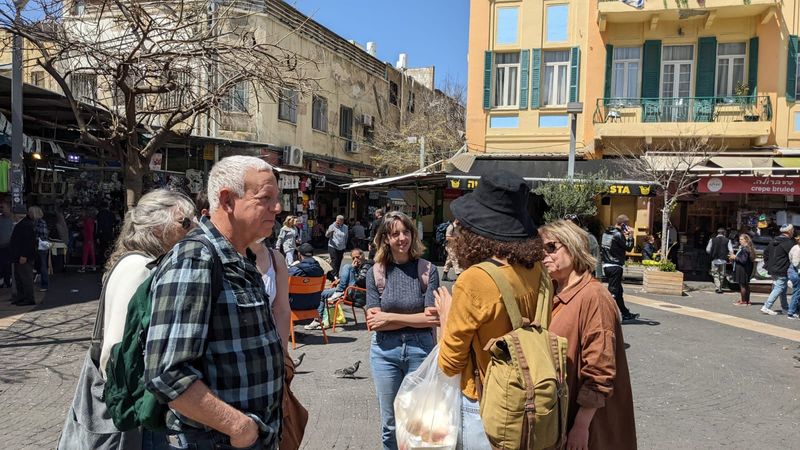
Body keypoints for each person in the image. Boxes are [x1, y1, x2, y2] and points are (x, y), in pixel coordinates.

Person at [144, 156, 285, 449]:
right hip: (216, 440)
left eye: (277, 198)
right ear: (227, 200)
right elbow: (167, 373)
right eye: (265, 198)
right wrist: (239, 427)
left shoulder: (239, 258)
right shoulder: (195, 259)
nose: (277, 207)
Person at [58, 189, 197, 450]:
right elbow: (116, 350)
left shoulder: (140, 263)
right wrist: (138, 402)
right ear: (157, 227)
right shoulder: (139, 268)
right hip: (125, 410)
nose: (194, 229)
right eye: (186, 222)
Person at [434, 170, 548, 450]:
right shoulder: (539, 272)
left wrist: (445, 317)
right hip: (533, 403)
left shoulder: (475, 280)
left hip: (486, 405)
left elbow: (449, 363)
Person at [539, 220, 637, 450]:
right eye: (540, 249)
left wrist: (581, 425)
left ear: (573, 247)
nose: (544, 255)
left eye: (551, 247)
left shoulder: (594, 296)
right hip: (561, 412)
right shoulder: (552, 292)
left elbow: (600, 367)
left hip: (588, 421)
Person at [366, 211, 439, 450]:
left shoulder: (427, 270)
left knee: (416, 420)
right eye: (395, 233)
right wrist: (411, 319)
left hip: (420, 350)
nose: (402, 238)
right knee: (390, 424)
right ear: (385, 238)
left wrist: (389, 317)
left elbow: (432, 319)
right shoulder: (376, 272)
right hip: (385, 353)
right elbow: (373, 323)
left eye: (406, 232)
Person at [305, 248, 365, 331]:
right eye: (353, 258)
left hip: (357, 292)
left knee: (347, 266)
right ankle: (317, 320)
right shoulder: (357, 267)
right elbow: (351, 278)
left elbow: (361, 281)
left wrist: (353, 269)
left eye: (357, 257)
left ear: (363, 256)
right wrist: (342, 278)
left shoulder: (366, 265)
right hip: (348, 289)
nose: (356, 260)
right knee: (321, 294)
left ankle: (339, 291)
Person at [249, 235, 291, 348]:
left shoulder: (276, 258)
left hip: (268, 345)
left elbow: (282, 310)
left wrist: (284, 353)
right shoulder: (220, 255)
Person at [601, 215, 639, 322]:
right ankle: (606, 316)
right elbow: (628, 247)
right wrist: (631, 236)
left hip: (607, 265)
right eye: (627, 225)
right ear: (623, 224)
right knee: (613, 292)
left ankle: (625, 313)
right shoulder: (618, 234)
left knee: (618, 292)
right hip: (615, 266)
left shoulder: (606, 233)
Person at [761, 224, 795, 315]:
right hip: (782, 269)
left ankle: (785, 308)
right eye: (792, 230)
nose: (793, 232)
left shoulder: (773, 241)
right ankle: (766, 306)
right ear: (790, 231)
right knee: (780, 287)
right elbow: (794, 256)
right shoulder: (789, 243)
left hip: (773, 269)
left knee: (782, 289)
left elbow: (765, 253)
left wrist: (768, 264)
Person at [9, 207, 36, 306]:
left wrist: (24, 255)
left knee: (25, 278)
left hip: (24, 256)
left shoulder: (25, 225)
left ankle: (29, 298)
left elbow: (28, 242)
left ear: (17, 214)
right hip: (18, 256)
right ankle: (21, 297)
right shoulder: (21, 224)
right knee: (19, 278)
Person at [706, 227, 734, 294]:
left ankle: (717, 287)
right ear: (724, 233)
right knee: (722, 274)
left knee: (715, 273)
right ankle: (720, 287)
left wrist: (711, 253)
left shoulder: (712, 240)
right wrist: (729, 256)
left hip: (714, 259)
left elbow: (708, 250)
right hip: (723, 259)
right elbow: (731, 250)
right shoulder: (727, 240)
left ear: (717, 233)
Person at [732, 234, 756, 306]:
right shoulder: (748, 248)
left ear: (746, 240)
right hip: (745, 268)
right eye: (739, 239)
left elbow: (743, 260)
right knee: (746, 285)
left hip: (742, 269)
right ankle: (747, 300)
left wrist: (735, 257)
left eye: (741, 239)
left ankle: (743, 301)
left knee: (742, 285)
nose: (740, 241)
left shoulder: (745, 249)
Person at [30, 206, 49, 292]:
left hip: (40, 246)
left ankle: (45, 284)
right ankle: (42, 282)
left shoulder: (40, 222)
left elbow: (43, 235)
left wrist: (34, 237)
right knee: (40, 265)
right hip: (37, 246)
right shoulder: (36, 222)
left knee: (42, 265)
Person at [0, 202, 14, 288]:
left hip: (10, 246)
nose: (1, 209)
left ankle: (9, 281)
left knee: (8, 264)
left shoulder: (13, 218)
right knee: (1, 264)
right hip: (1, 246)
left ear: (9, 208)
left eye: (2, 207)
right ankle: (1, 281)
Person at [788, 235, 800, 320]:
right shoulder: (798, 249)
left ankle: (795, 311)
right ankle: (791, 312)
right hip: (796, 272)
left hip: (792, 271)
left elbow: (790, 258)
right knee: (797, 292)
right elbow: (796, 263)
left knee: (797, 292)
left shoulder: (795, 247)